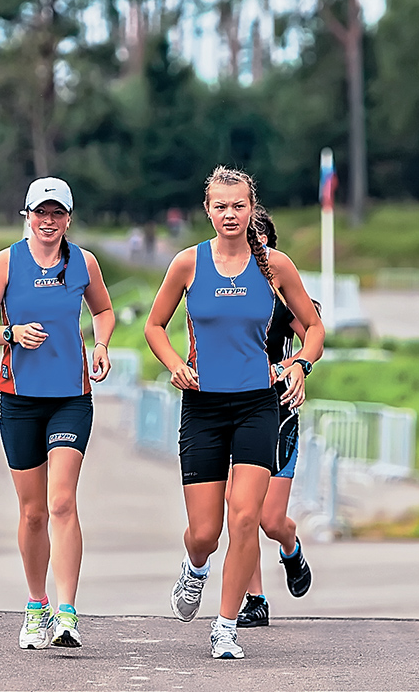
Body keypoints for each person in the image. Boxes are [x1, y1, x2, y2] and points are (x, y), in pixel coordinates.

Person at [144, 166, 324, 659]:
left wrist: (300, 366)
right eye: (221, 206)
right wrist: (176, 364)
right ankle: (195, 567)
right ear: (208, 210)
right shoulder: (187, 264)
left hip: (256, 405)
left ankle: (226, 626)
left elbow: (313, 328)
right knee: (205, 531)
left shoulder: (274, 266)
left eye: (239, 205)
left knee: (245, 518)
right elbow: (155, 326)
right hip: (202, 406)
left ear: (251, 208)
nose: (230, 214)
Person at [0, 177, 114, 650]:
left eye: (57, 214)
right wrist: (11, 333)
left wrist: (102, 344)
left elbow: (104, 310)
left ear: (68, 218)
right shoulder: (6, 262)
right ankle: (36, 606)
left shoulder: (83, 262)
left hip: (71, 396)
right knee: (33, 512)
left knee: (61, 502)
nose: (48, 222)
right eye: (40, 213)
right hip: (20, 399)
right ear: (26, 215)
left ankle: (67, 611)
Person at [232, 207, 316, 629]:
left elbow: (314, 335)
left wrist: (299, 366)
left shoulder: (282, 290)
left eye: (261, 239)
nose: (254, 246)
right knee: (240, 510)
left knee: (268, 520)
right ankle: (255, 599)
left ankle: (291, 546)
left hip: (278, 410)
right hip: (231, 407)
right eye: (249, 238)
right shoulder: (222, 284)